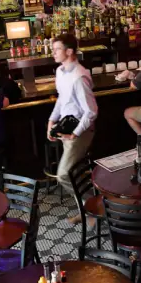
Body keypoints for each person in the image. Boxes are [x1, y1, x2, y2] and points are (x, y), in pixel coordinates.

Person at [45, 34, 97, 223]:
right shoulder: (60, 71)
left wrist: (74, 134)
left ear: (69, 51)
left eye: (57, 49)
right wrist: (52, 120)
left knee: (64, 174)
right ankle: (87, 212)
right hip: (67, 126)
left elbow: (91, 111)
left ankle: (96, 207)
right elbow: (62, 98)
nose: (53, 52)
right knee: (74, 174)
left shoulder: (79, 77)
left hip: (80, 131)